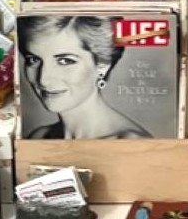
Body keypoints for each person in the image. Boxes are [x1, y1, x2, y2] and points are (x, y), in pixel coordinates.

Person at [18, 14, 152, 139]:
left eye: (65, 61)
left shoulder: (133, 146)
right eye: (33, 60)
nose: (44, 80)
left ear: (102, 65)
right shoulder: (40, 136)